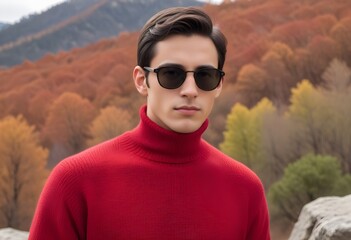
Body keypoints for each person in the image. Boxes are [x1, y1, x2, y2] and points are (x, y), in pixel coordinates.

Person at [29, 6, 271, 240]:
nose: (190, 90)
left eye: (205, 76)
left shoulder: (245, 188)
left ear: (218, 85)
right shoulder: (76, 181)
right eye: (171, 74)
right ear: (142, 81)